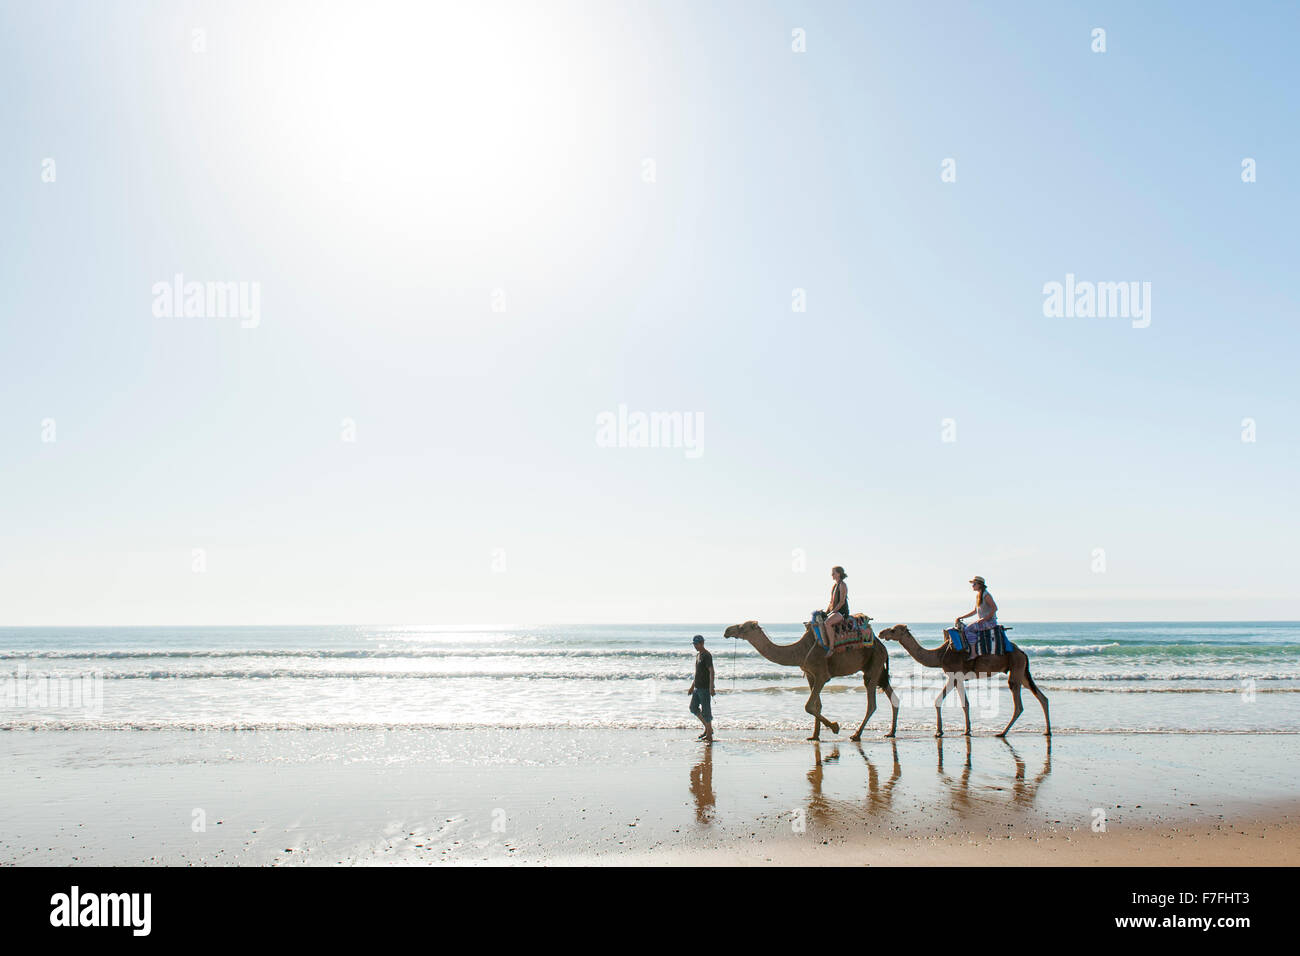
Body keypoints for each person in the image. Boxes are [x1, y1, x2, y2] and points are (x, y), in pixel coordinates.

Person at [955, 575, 998, 659]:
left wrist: (984, 619)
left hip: (990, 622)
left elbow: (995, 608)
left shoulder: (986, 595)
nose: (972, 586)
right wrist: (961, 617)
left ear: (979, 584)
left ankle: (973, 653)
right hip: (984, 621)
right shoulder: (978, 596)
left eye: (974, 584)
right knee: (966, 627)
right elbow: (975, 611)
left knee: (968, 629)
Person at [688, 635, 715, 741]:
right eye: (694, 644)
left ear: (702, 643)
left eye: (696, 644)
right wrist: (692, 687)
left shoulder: (707, 655)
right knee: (693, 708)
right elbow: (697, 673)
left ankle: (709, 736)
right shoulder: (698, 655)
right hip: (697, 687)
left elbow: (711, 671)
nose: (695, 646)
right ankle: (708, 729)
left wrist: (711, 687)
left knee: (706, 712)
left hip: (704, 688)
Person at [822, 566, 850, 657]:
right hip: (835, 611)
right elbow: (831, 602)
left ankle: (831, 648)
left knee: (827, 623)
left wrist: (833, 612)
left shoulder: (842, 585)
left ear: (839, 574)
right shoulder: (835, 585)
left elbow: (841, 602)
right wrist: (826, 612)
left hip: (842, 612)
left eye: (833, 573)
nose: (832, 575)